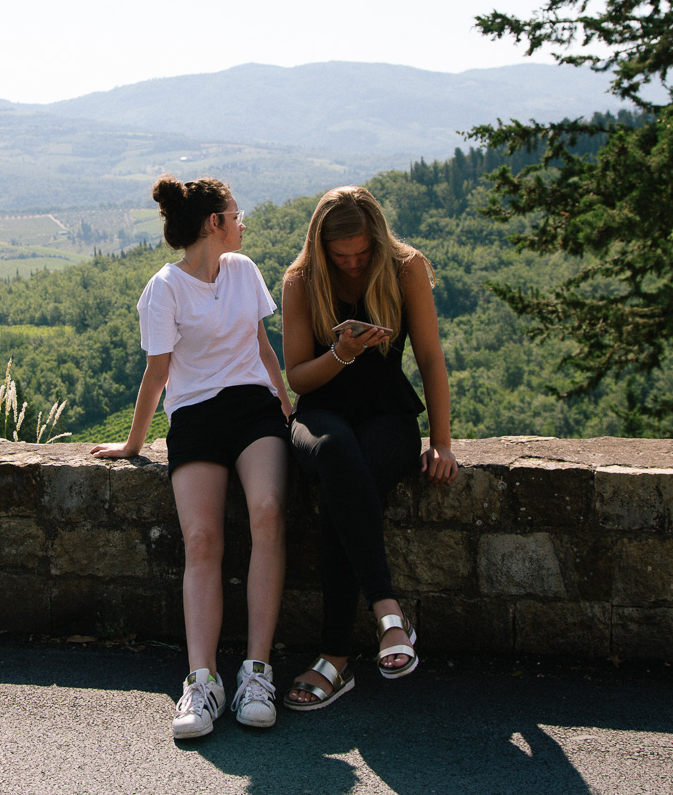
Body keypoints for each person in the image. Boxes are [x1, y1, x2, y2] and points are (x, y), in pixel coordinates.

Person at [92, 175, 291, 740]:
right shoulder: (164, 290)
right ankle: (202, 681)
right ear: (214, 223)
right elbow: (156, 376)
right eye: (236, 212)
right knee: (202, 539)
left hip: (254, 411)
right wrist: (134, 444)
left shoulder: (244, 271)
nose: (242, 220)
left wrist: (284, 402)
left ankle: (257, 672)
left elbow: (258, 342)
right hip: (196, 416)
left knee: (269, 511)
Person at [279, 185, 457, 711]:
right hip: (321, 415)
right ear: (321, 247)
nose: (354, 265)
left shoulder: (406, 268)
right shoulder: (300, 281)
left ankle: (334, 658)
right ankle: (388, 612)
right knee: (336, 456)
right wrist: (342, 352)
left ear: (377, 241)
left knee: (342, 492)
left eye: (362, 253)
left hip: (388, 416)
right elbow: (298, 380)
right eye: (342, 256)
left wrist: (442, 442)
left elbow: (429, 357)